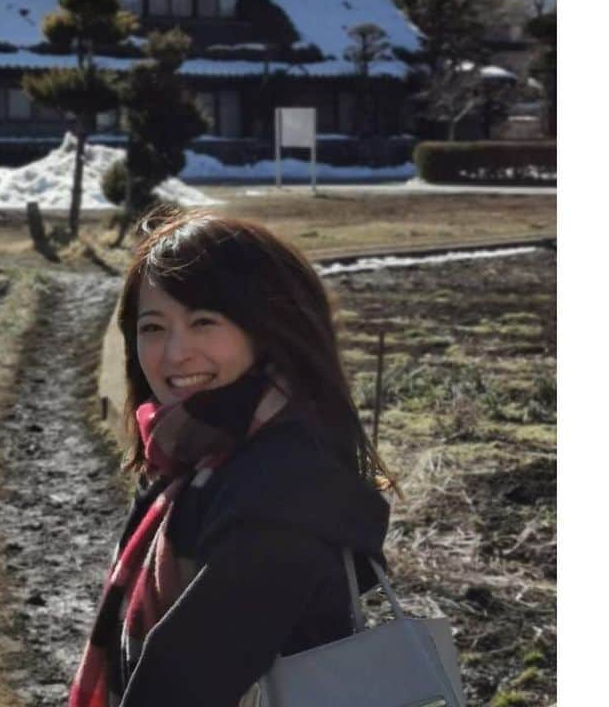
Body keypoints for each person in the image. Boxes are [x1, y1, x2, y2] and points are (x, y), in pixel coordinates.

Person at [69, 209, 396, 707]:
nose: (175, 353)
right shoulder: (192, 464)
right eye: (153, 327)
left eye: (204, 322)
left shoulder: (286, 488)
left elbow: (184, 681)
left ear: (266, 329)